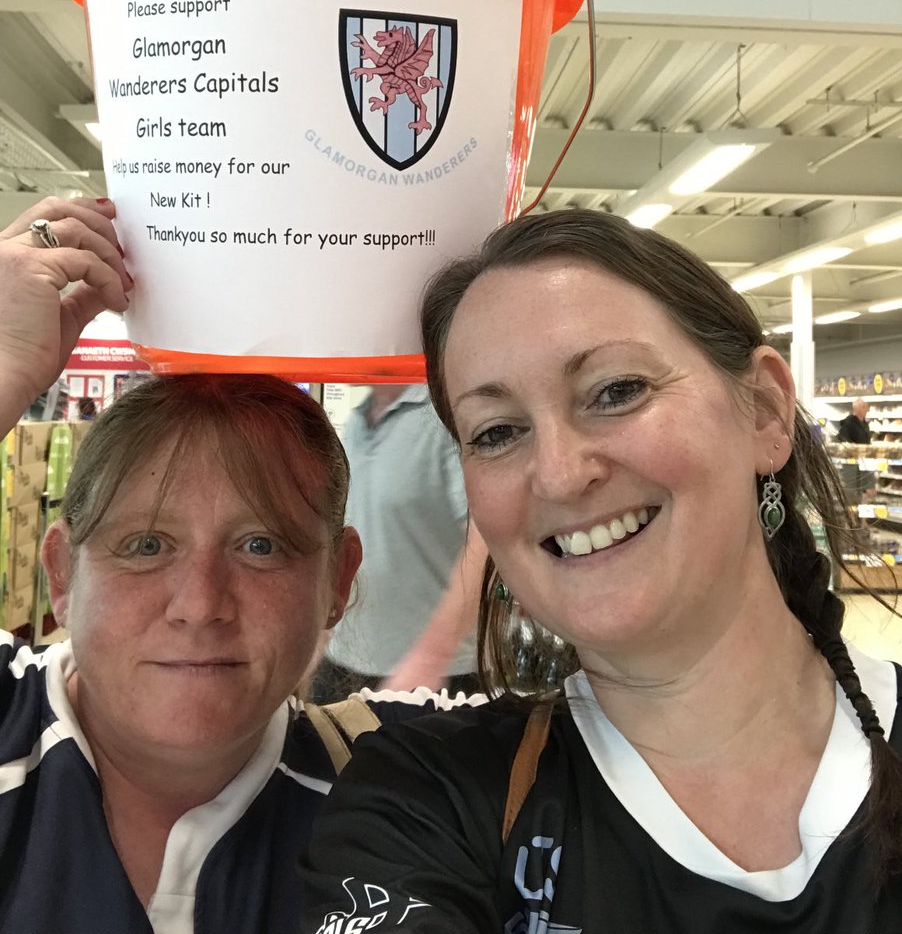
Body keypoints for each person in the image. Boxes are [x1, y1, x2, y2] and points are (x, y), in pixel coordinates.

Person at [302, 209, 902, 932]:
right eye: (497, 433)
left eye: (616, 391)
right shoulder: (424, 802)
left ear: (767, 413)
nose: (557, 475)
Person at [0, 197, 473, 933]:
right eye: (146, 546)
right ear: (62, 575)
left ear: (337, 584)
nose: (200, 604)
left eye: (262, 546)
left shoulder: (408, 792)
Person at [315, 383, 483, 699]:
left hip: (430, 675)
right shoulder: (357, 421)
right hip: (343, 664)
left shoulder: (442, 417)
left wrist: (432, 655)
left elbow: (485, 542)